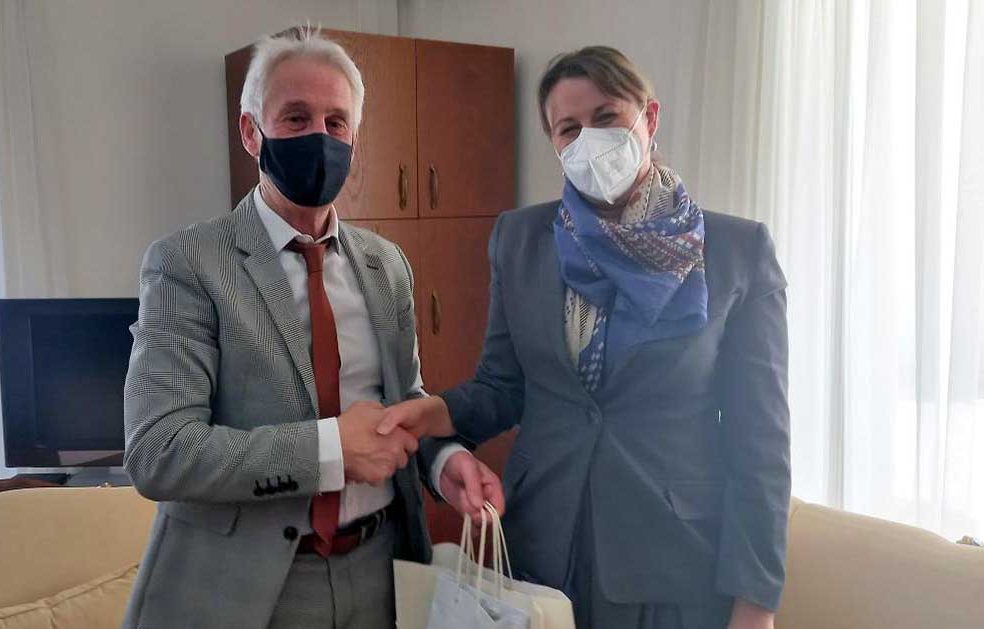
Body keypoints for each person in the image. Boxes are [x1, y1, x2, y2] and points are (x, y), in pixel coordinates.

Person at [380, 46, 791, 629]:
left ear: (648, 118)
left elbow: (762, 443)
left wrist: (756, 602)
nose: (588, 140)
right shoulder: (521, 238)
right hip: (544, 542)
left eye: (606, 117)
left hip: (671, 559)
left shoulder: (736, 251)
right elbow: (503, 386)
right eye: (568, 128)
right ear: (553, 141)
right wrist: (436, 415)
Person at [121, 26, 501, 629]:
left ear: (354, 137)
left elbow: (402, 403)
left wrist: (442, 459)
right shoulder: (188, 263)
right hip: (244, 589)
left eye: (336, 122)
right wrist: (331, 451)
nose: (319, 138)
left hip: (380, 571)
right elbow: (159, 450)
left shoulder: (386, 265)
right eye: (296, 118)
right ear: (252, 132)